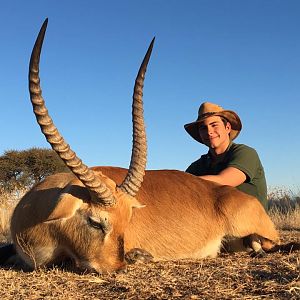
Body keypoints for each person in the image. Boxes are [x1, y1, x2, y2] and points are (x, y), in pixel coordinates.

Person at [184, 102, 268, 210]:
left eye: (214, 125)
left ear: (227, 127)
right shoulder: (198, 165)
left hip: (249, 223)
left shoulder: (245, 153)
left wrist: (182, 185)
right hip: (216, 223)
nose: (209, 132)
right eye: (203, 128)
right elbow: (182, 183)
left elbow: (224, 180)